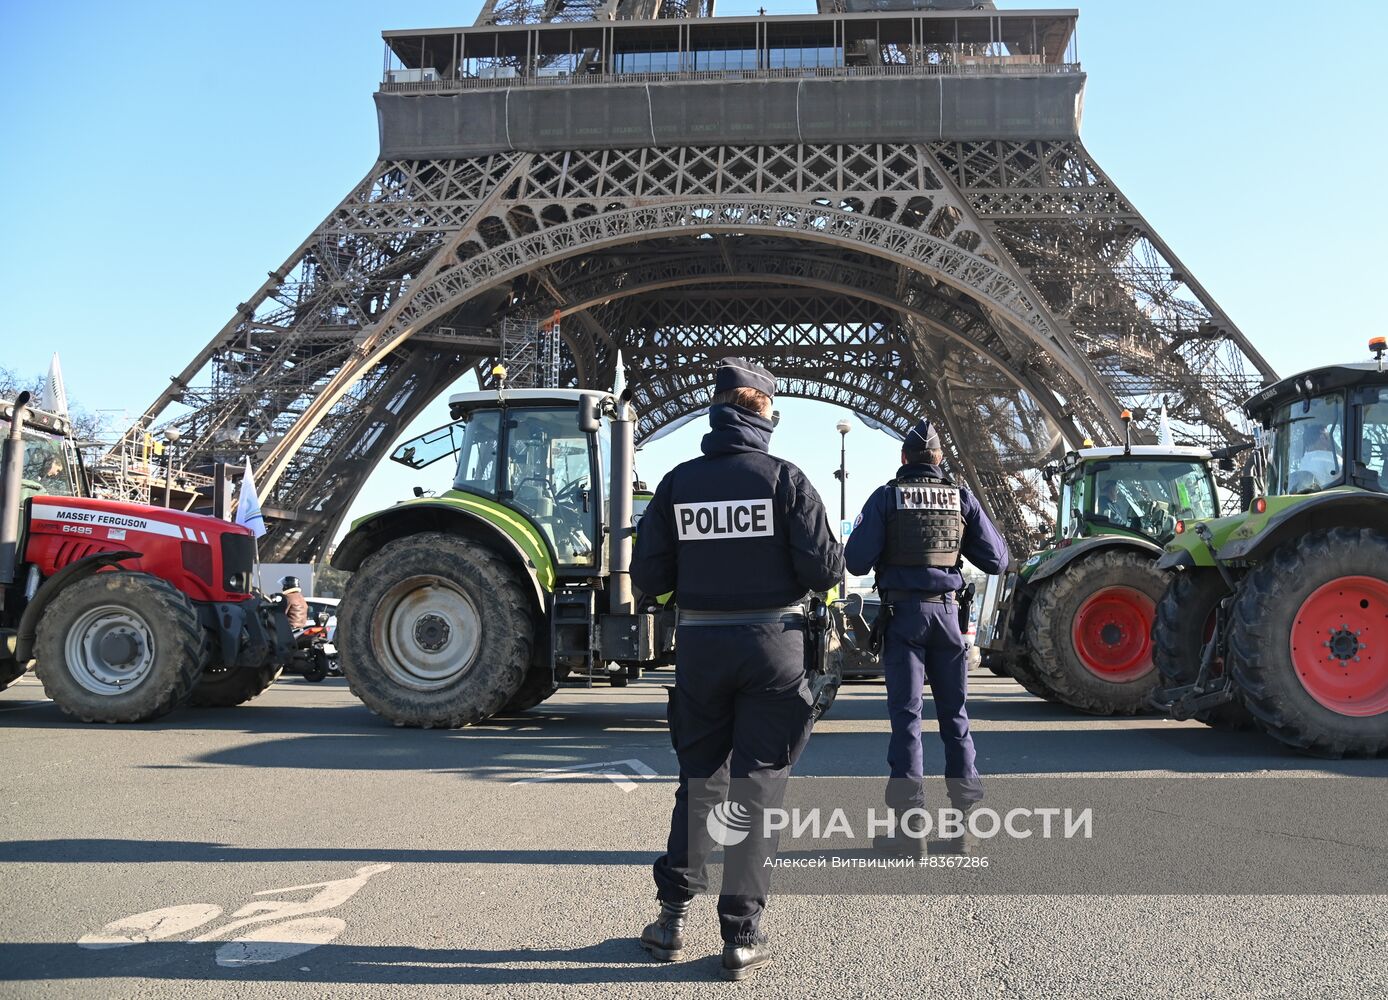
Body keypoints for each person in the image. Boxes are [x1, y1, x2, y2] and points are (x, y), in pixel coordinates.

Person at [631, 357, 842, 981]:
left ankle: (670, 919)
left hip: (700, 646)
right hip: (775, 644)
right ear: (766, 411)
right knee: (759, 787)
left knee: (701, 781)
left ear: (717, 409)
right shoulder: (787, 479)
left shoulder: (676, 483)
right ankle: (742, 932)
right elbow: (825, 571)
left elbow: (649, 577)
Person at [843, 418, 1009, 854]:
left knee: (907, 722)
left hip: (903, 618)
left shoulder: (886, 498)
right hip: (949, 619)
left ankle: (910, 830)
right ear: (939, 459)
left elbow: (856, 561)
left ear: (903, 459)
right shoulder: (960, 498)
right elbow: (997, 559)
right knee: (956, 721)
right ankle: (964, 828)